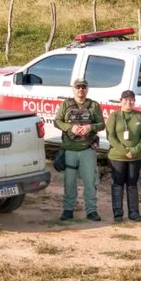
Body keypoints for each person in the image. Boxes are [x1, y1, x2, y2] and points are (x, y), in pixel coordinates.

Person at [54, 78, 106, 222]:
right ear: (73, 89)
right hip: (69, 149)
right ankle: (68, 209)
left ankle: (91, 210)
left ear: (87, 89)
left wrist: (91, 127)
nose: (80, 90)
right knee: (69, 182)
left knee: (90, 182)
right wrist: (71, 128)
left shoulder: (94, 105)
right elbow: (57, 121)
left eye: (83, 87)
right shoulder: (66, 104)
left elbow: (102, 124)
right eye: (78, 87)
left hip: (87, 149)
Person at [105, 90, 141, 222]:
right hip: (117, 156)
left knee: (132, 183)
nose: (128, 102)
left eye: (131, 100)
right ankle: (118, 213)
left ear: (134, 101)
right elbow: (110, 136)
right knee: (118, 183)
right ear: (120, 101)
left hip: (135, 157)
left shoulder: (140, 116)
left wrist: (135, 150)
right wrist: (125, 151)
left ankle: (134, 212)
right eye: (125, 100)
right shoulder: (115, 116)